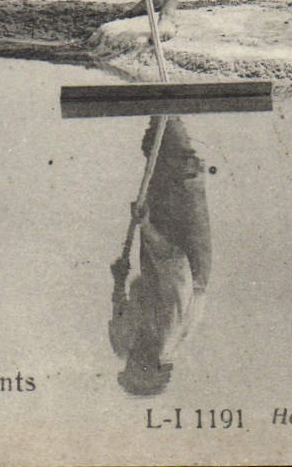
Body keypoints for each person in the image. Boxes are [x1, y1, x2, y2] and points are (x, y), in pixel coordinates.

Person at [109, 117, 212, 397]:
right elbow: (175, 262)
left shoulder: (123, 343)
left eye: (131, 366)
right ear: (157, 367)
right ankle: (170, 115)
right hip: (190, 267)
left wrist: (119, 280)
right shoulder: (171, 328)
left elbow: (120, 307)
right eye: (141, 368)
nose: (135, 361)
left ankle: (159, 118)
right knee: (183, 176)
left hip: (157, 270)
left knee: (154, 179)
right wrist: (145, 227)